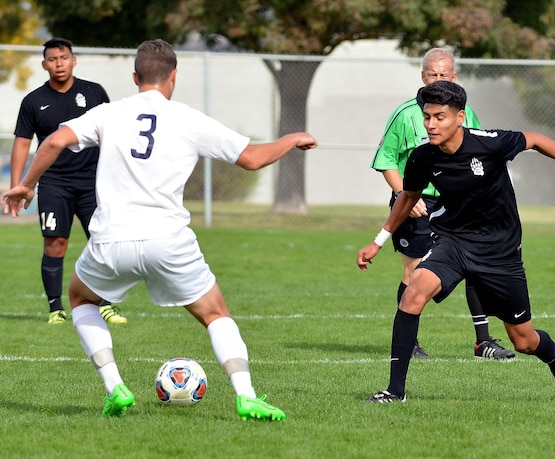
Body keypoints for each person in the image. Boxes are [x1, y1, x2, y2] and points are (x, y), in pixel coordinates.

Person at [2, 39, 318, 420]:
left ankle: (115, 387)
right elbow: (250, 158)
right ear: (174, 77)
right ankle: (246, 396)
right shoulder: (186, 117)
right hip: (169, 241)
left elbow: (53, 140)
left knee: (82, 299)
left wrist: (27, 184)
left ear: (135, 77)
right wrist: (290, 139)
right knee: (216, 314)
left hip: (111, 240)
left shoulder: (109, 113)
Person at [357, 81, 555, 403]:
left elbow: (534, 140)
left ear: (459, 117)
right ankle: (395, 392)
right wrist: (379, 241)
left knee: (523, 340)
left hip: (499, 251)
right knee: (413, 294)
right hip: (453, 241)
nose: (431, 124)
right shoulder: (423, 157)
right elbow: (408, 197)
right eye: (427, 117)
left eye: (439, 117)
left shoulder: (489, 144)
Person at [371, 48, 514, 360]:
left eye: (443, 74)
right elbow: (386, 160)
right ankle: (410, 344)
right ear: (423, 77)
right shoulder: (405, 114)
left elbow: (479, 156)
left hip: (458, 205)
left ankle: (483, 342)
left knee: (476, 268)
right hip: (415, 203)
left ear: (454, 77)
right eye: (432, 74)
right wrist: (405, 196)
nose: (437, 79)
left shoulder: (466, 114)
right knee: (414, 272)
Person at [10, 37, 126, 325]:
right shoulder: (33, 101)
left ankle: (107, 305)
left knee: (102, 242)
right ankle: (55, 309)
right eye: (52, 59)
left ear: (73, 60)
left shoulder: (94, 92)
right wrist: (19, 185)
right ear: (44, 64)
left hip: (92, 182)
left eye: (64, 58)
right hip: (53, 183)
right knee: (55, 243)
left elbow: (112, 133)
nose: (59, 63)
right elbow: (22, 143)